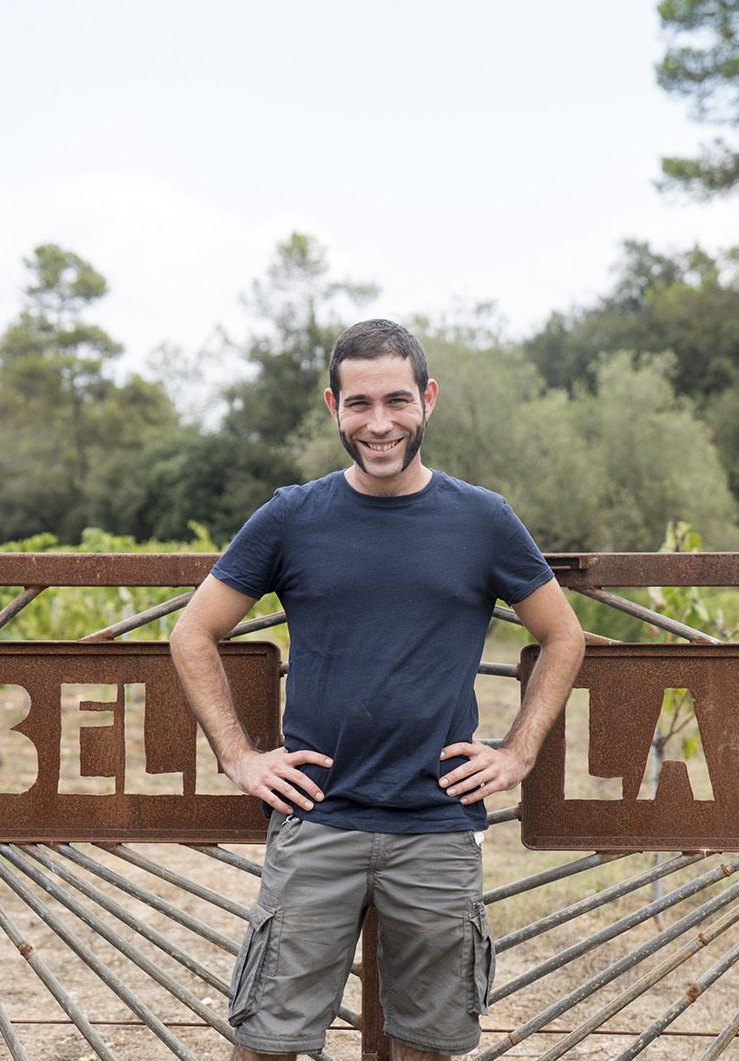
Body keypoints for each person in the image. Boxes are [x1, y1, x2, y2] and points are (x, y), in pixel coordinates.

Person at [170, 318, 585, 1060]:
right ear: (334, 408)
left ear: (428, 398)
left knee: (425, 1045)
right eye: (359, 404)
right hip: (316, 820)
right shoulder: (293, 516)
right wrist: (239, 757)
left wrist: (519, 752)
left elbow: (563, 636)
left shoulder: (482, 519)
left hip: (437, 824)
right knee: (265, 1042)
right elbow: (193, 634)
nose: (380, 423)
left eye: (397, 400)